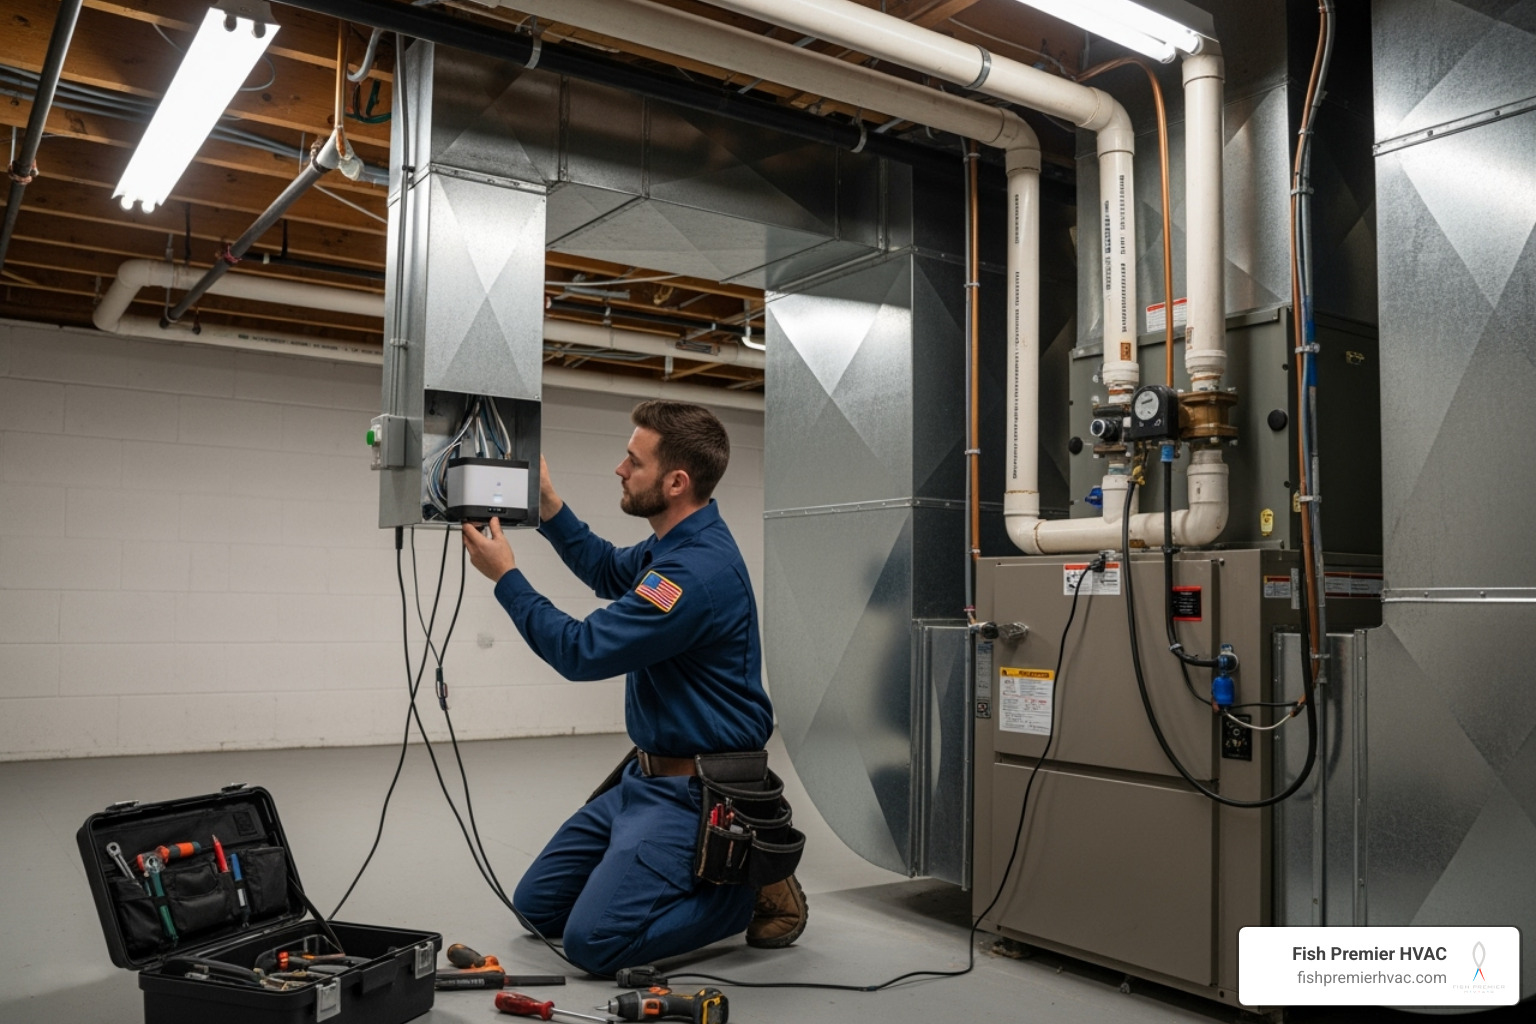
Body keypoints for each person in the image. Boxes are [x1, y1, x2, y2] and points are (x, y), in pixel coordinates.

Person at [462, 399, 807, 976]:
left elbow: (582, 651)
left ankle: (747, 889)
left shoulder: (691, 574)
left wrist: (507, 577)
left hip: (695, 794)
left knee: (593, 945)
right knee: (536, 908)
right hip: (642, 780)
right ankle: (685, 869)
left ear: (676, 482)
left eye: (633, 461)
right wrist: (549, 508)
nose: (620, 470)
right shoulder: (669, 548)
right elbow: (605, 569)